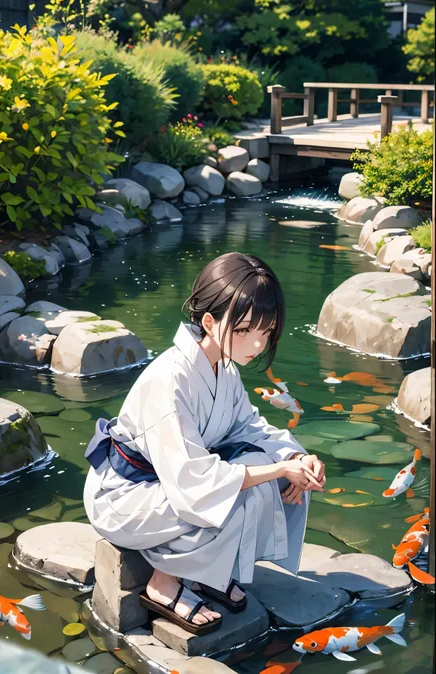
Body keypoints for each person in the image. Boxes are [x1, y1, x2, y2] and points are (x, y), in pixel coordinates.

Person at [83, 252, 326, 635]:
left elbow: (249, 427)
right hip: (126, 497)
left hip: (169, 486)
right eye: (245, 330)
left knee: (271, 474)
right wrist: (277, 469)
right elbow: (193, 484)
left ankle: (204, 572)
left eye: (266, 331)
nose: (258, 343)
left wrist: (296, 458)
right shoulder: (169, 380)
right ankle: (163, 583)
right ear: (209, 321)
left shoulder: (222, 366)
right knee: (247, 487)